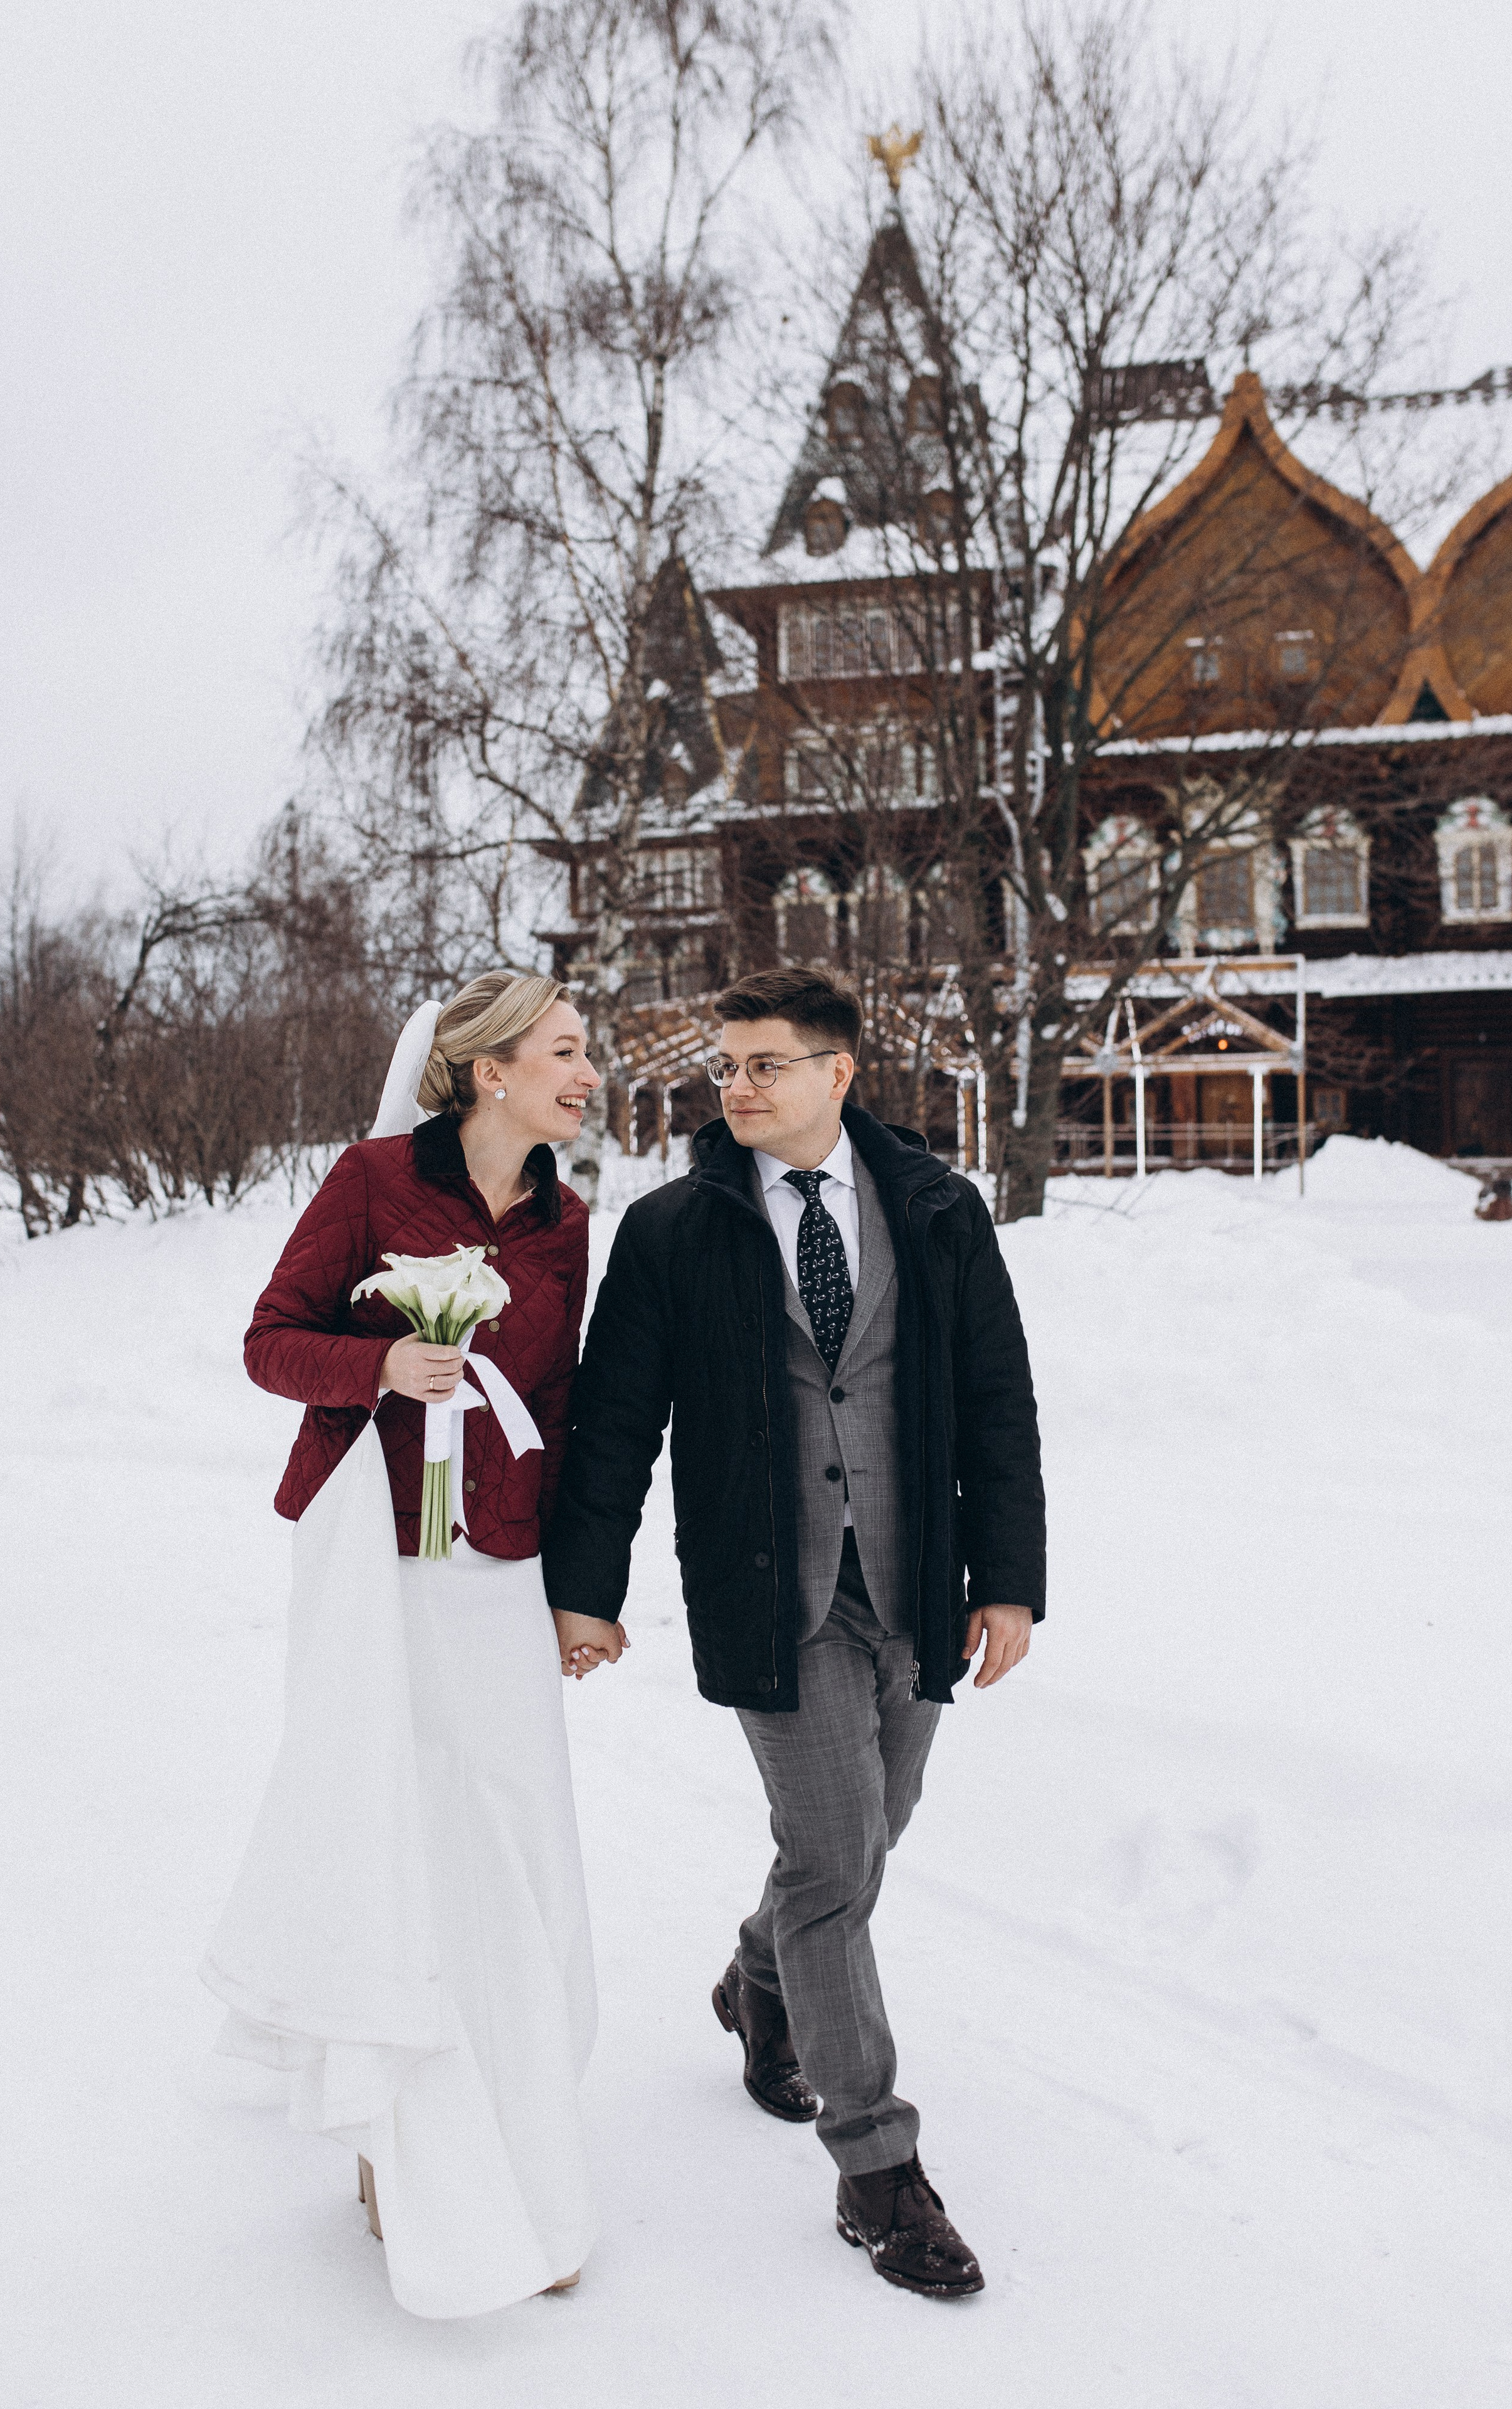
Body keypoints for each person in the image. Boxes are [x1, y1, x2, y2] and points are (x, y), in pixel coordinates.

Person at [544, 966, 1045, 2300]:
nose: (738, 1085)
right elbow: (611, 1424)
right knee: (833, 1855)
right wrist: (583, 1587)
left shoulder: (936, 1210)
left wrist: (1008, 1578)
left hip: (917, 1578)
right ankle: (877, 2168)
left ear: (838, 1072)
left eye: (767, 1062)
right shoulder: (671, 1231)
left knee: (870, 1833)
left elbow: (997, 1403)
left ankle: (759, 1978)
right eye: (728, 1064)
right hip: (773, 1591)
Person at [204, 972, 625, 2319]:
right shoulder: (374, 1180)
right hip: (373, 1566)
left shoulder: (564, 1219)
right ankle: (409, 2147)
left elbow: (552, 1409)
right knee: (400, 1836)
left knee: (512, 1844)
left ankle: (520, 2150)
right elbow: (272, 1341)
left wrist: (572, 1590)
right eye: (566, 1050)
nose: (589, 1070)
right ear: (487, 1069)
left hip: (496, 1577)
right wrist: (379, 1367)